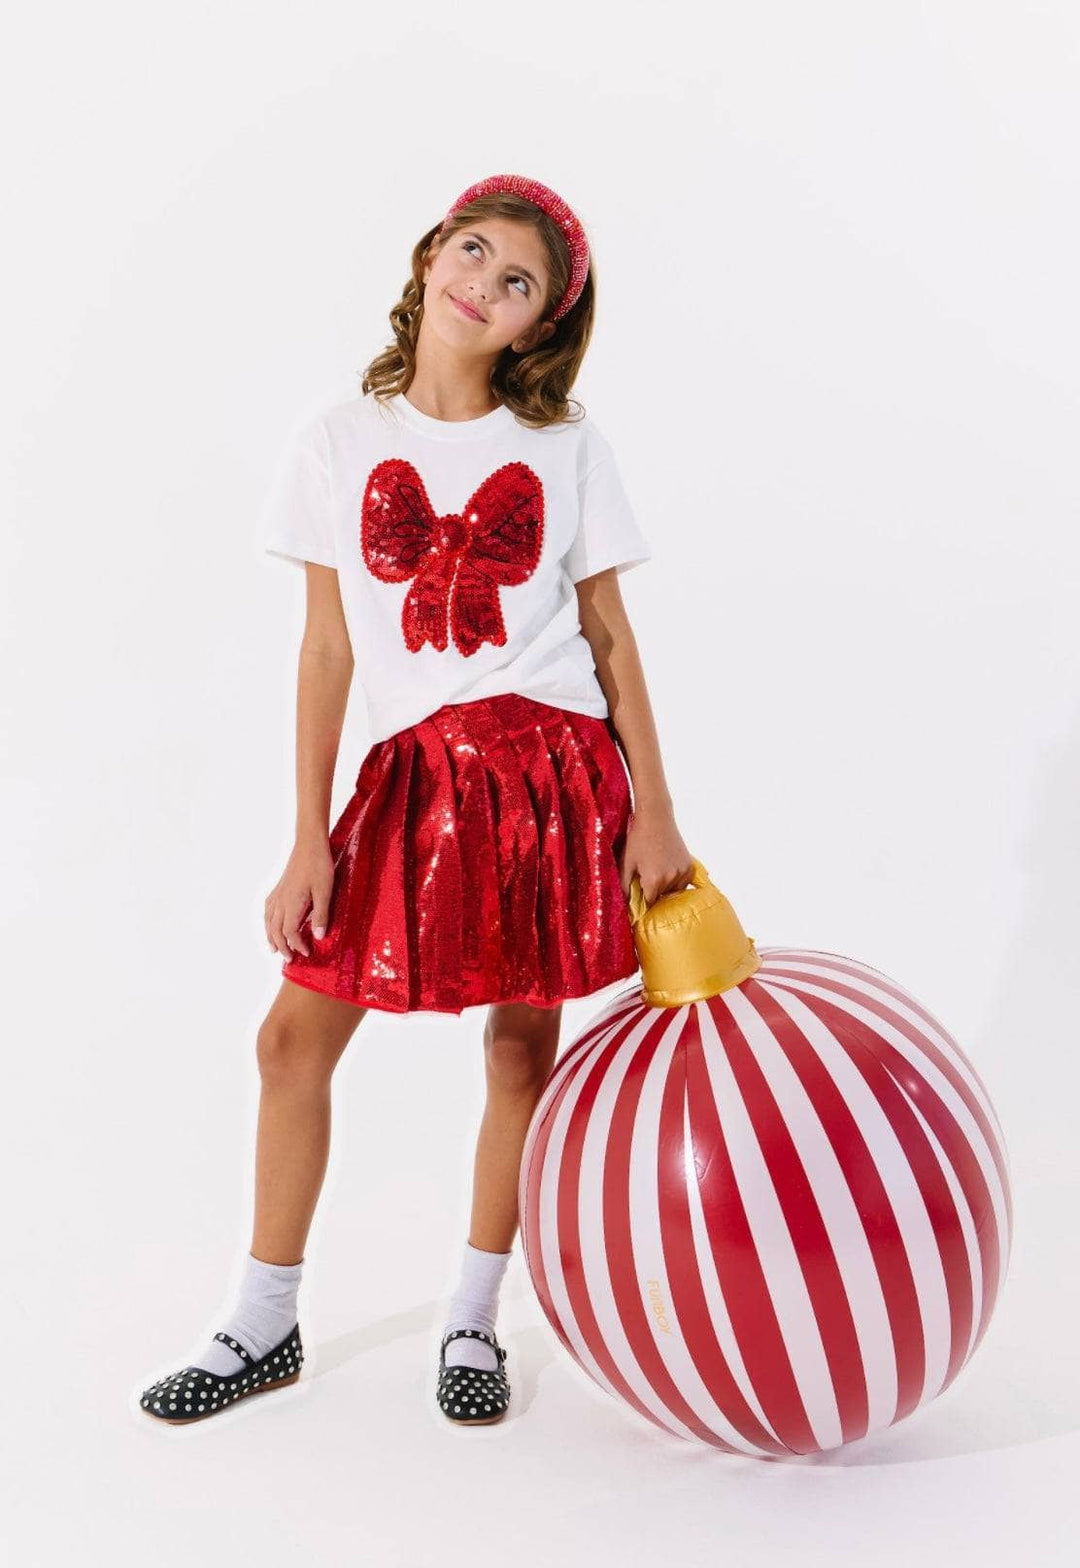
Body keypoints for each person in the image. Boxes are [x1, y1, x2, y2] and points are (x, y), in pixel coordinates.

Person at [139, 173, 693, 1428]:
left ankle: (472, 1319)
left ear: (538, 326)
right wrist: (305, 835)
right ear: (432, 250)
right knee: (293, 1037)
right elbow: (328, 648)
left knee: (516, 1046)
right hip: (413, 774)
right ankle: (262, 1319)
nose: (481, 286)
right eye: (474, 251)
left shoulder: (564, 443)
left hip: (554, 768)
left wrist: (653, 807)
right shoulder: (338, 438)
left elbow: (609, 633)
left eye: (518, 285)